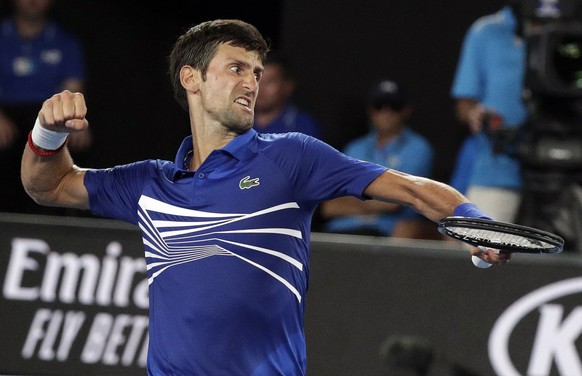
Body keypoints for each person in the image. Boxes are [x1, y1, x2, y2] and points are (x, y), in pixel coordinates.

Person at [20, 19, 511, 376]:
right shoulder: (150, 184)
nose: (251, 83)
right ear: (191, 78)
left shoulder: (291, 158)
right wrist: (46, 131)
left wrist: (471, 220)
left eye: (256, 72)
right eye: (236, 68)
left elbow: (411, 189)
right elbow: (49, 185)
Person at [0, 0, 91, 214]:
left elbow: (73, 90)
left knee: (77, 139)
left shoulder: (65, 42)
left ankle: (58, 230)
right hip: (7, 116)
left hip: (49, 117)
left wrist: (73, 122)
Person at [320, 79, 437, 239]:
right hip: (343, 230)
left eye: (394, 106)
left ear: (406, 110)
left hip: (387, 232)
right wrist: (377, 200)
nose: (386, 113)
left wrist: (354, 200)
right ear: (370, 111)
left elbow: (396, 201)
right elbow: (330, 206)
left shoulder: (418, 148)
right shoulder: (355, 148)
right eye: (379, 106)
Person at [449, 1, 526, 223]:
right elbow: (464, 104)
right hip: (497, 170)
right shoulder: (485, 31)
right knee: (480, 255)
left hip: (567, 172)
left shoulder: (572, 30)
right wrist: (475, 113)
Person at [253, 50, 322, 139]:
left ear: (288, 86)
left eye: (270, 82)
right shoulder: (235, 121)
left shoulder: (302, 127)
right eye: (256, 79)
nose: (260, 88)